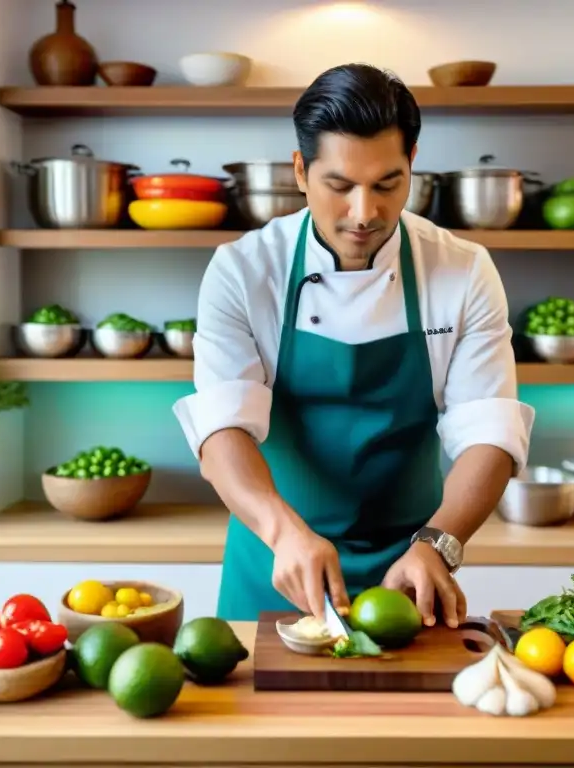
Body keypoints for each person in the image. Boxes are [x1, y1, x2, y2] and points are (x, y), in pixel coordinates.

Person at [173, 63, 535, 628]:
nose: (364, 213)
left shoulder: (462, 271)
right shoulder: (244, 270)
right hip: (276, 560)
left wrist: (439, 545)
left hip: (412, 568)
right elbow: (222, 431)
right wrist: (283, 532)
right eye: (339, 186)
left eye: (387, 185)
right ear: (300, 170)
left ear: (412, 162)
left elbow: (489, 432)